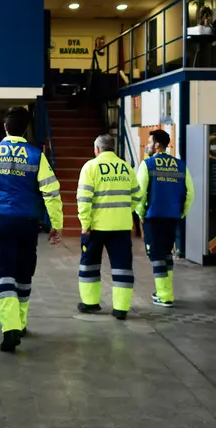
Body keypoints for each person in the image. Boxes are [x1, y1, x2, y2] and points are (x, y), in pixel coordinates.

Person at [0, 107, 63, 353]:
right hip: (28, 222)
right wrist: (56, 224)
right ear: (25, 129)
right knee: (24, 272)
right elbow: (51, 191)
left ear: (5, 127)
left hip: (2, 221)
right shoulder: (37, 156)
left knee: (4, 273)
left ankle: (9, 328)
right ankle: (21, 323)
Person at [76, 134, 140, 320]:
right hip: (121, 227)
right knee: (122, 267)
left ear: (96, 149)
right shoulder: (126, 167)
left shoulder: (91, 167)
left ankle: (90, 303)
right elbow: (137, 195)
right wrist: (124, 211)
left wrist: (85, 224)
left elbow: (84, 199)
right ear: (113, 148)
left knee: (90, 265)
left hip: (95, 228)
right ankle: (120, 309)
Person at [135, 130, 194, 307]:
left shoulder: (148, 165)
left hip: (154, 217)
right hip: (172, 218)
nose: (147, 145)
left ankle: (164, 295)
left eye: (149, 142)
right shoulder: (181, 165)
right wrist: (181, 213)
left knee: (156, 255)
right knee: (166, 254)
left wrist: (140, 213)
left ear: (157, 145)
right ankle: (165, 291)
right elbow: (190, 193)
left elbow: (139, 194)